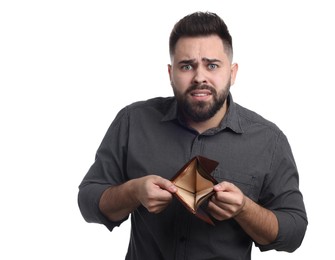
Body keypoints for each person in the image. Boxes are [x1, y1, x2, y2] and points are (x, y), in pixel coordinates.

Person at [78, 11, 308, 260]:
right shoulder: (133, 121)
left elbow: (293, 232)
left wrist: (244, 209)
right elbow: (88, 202)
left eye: (212, 65)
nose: (200, 77)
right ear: (170, 73)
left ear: (232, 73)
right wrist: (132, 192)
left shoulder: (268, 140)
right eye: (187, 66)